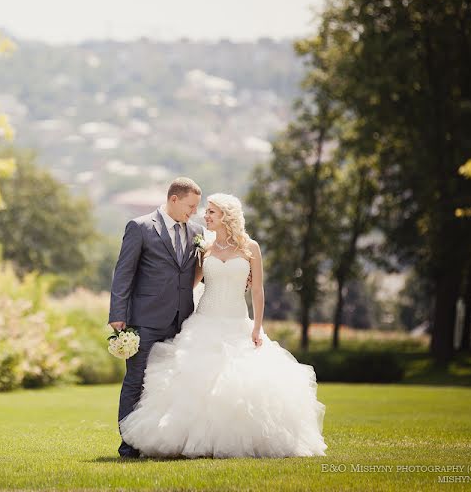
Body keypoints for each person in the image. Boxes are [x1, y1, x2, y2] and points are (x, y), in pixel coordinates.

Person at [117, 192, 327, 458]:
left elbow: (258, 291)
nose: (205, 216)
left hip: (238, 322)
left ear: (227, 215)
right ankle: (184, 441)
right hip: (204, 322)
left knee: (240, 384)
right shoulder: (204, 247)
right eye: (205, 211)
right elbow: (190, 284)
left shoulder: (251, 248)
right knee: (193, 382)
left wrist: (257, 327)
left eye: (211, 212)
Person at [108, 177, 203, 458]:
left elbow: (194, 274)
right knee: (136, 382)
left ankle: (163, 443)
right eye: (191, 206)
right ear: (173, 199)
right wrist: (118, 315)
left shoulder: (196, 231)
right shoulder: (140, 227)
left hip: (181, 321)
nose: (194, 212)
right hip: (144, 320)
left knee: (171, 385)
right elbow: (123, 273)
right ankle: (128, 446)